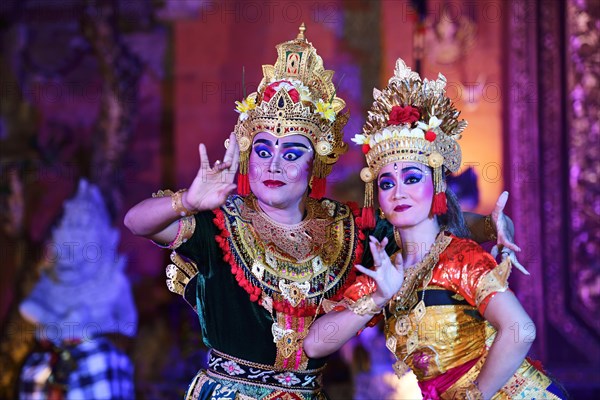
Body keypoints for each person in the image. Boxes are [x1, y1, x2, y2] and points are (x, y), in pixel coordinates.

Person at [124, 25, 364, 400]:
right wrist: (187, 201)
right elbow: (135, 222)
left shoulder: (342, 228)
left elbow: (420, 229)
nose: (273, 166)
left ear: (316, 164)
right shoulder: (222, 222)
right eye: (263, 151)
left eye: (291, 153)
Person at [304, 59, 567, 399]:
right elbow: (314, 344)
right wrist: (378, 298)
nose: (399, 191)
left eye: (412, 178)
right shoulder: (386, 270)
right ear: (376, 197)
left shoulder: (459, 257)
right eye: (387, 183)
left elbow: (520, 329)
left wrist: (473, 395)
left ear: (436, 185)